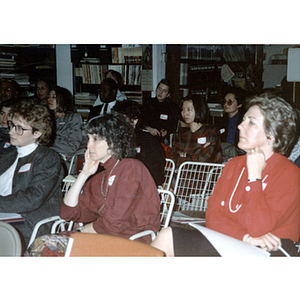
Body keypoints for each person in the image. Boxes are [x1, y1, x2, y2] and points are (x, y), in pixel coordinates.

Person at [151, 95, 300, 257]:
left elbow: (258, 228)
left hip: (272, 253)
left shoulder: (290, 173)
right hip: (236, 242)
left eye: (251, 122)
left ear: (273, 134)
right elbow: (213, 217)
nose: (240, 126)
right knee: (167, 236)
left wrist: (255, 176)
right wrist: (245, 237)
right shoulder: (233, 165)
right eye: (243, 120)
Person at [59, 113, 161, 245]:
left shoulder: (131, 167)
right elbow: (67, 213)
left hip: (132, 243)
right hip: (106, 239)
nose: (89, 146)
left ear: (113, 141)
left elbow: (115, 221)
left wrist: (81, 232)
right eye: (88, 139)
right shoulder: (100, 177)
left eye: (95, 139)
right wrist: (84, 174)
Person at [0, 99, 64, 251]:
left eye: (19, 129)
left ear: (37, 133)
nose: (11, 132)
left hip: (29, 221)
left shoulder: (48, 158)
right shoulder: (7, 156)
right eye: (12, 125)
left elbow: (32, 198)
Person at [113, 100, 166, 186]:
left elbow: (156, 175)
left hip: (140, 187)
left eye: (121, 119)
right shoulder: (112, 140)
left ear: (134, 120)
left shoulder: (148, 141)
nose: (116, 123)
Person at [170, 94, 223, 167]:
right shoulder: (179, 134)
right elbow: (174, 160)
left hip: (205, 176)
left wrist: (184, 155)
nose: (185, 113)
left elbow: (204, 159)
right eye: (183, 109)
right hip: (183, 175)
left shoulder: (211, 132)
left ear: (199, 109)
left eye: (189, 109)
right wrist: (200, 150)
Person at [47, 86, 84, 172]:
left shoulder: (74, 118)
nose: (49, 99)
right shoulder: (48, 119)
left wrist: (50, 147)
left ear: (63, 99)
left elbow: (72, 147)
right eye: (49, 96)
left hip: (64, 159)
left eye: (54, 97)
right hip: (47, 154)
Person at [141, 79, 178, 144]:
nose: (160, 93)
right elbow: (141, 121)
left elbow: (174, 124)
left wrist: (167, 131)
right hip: (148, 135)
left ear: (168, 94)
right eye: (159, 89)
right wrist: (149, 129)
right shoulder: (148, 103)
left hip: (163, 138)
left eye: (164, 91)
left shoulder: (173, 106)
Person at [219, 87, 247, 152]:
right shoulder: (221, 121)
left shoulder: (245, 121)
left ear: (239, 105)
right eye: (224, 101)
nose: (226, 104)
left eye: (230, 102)